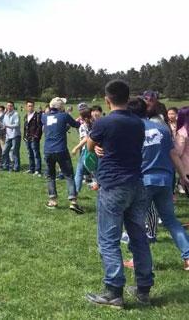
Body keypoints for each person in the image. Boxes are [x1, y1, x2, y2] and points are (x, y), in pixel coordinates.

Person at [86, 80, 154, 309]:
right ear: (128, 97)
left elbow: (89, 145)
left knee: (108, 239)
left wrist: (95, 146)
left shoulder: (104, 122)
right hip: (137, 183)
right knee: (138, 237)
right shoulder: (139, 123)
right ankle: (143, 288)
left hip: (114, 185)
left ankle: (114, 291)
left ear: (107, 99)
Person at [122, 98, 189, 274]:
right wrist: (183, 176)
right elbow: (173, 154)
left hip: (144, 181)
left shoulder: (133, 130)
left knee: (136, 222)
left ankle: (140, 261)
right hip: (166, 180)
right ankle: (188, 257)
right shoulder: (162, 128)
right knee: (171, 220)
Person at [41, 97, 83, 213]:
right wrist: (79, 120)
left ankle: (52, 200)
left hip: (48, 150)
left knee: (50, 176)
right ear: (60, 107)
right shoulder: (64, 116)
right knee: (69, 175)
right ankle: (73, 201)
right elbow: (76, 125)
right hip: (61, 149)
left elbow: (56, 128)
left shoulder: (44, 117)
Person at [71, 108, 94, 194]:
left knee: (79, 171)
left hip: (86, 150)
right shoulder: (94, 124)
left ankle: (75, 191)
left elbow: (86, 138)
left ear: (84, 118)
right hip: (94, 149)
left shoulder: (83, 126)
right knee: (94, 169)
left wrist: (76, 148)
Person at [23, 101, 42, 175]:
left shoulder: (37, 115)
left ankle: (38, 170)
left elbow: (39, 127)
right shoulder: (25, 116)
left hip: (34, 138)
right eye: (28, 106)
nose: (30, 107)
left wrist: (36, 136)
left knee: (36, 154)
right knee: (30, 154)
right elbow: (25, 127)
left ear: (34, 106)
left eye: (31, 106)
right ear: (26, 107)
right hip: (27, 138)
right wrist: (24, 136)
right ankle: (31, 169)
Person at [1, 102, 21, 172]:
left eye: (11, 106)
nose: (9, 107)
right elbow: (4, 124)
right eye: (8, 106)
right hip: (8, 136)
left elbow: (17, 124)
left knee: (15, 152)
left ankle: (16, 167)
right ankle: (5, 166)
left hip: (15, 135)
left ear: (13, 107)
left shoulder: (16, 114)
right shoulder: (5, 115)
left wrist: (7, 126)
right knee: (4, 151)